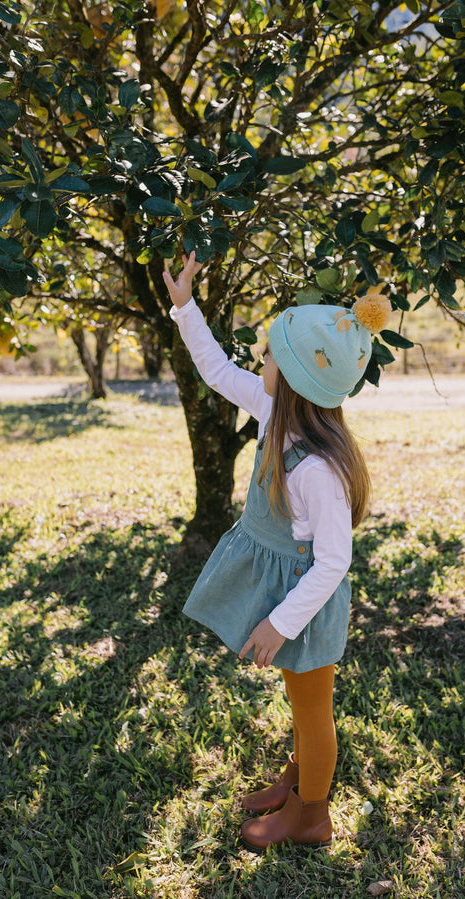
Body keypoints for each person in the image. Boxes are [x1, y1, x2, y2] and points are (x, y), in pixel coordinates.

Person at [163, 251, 390, 852]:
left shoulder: (318, 468)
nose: (258, 362)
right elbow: (216, 370)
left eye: (267, 355)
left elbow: (333, 563)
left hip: (304, 604)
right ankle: (296, 781)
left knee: (313, 710)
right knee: (298, 697)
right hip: (285, 590)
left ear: (291, 375)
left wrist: (279, 622)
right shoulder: (271, 409)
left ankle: (311, 815)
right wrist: (185, 306)